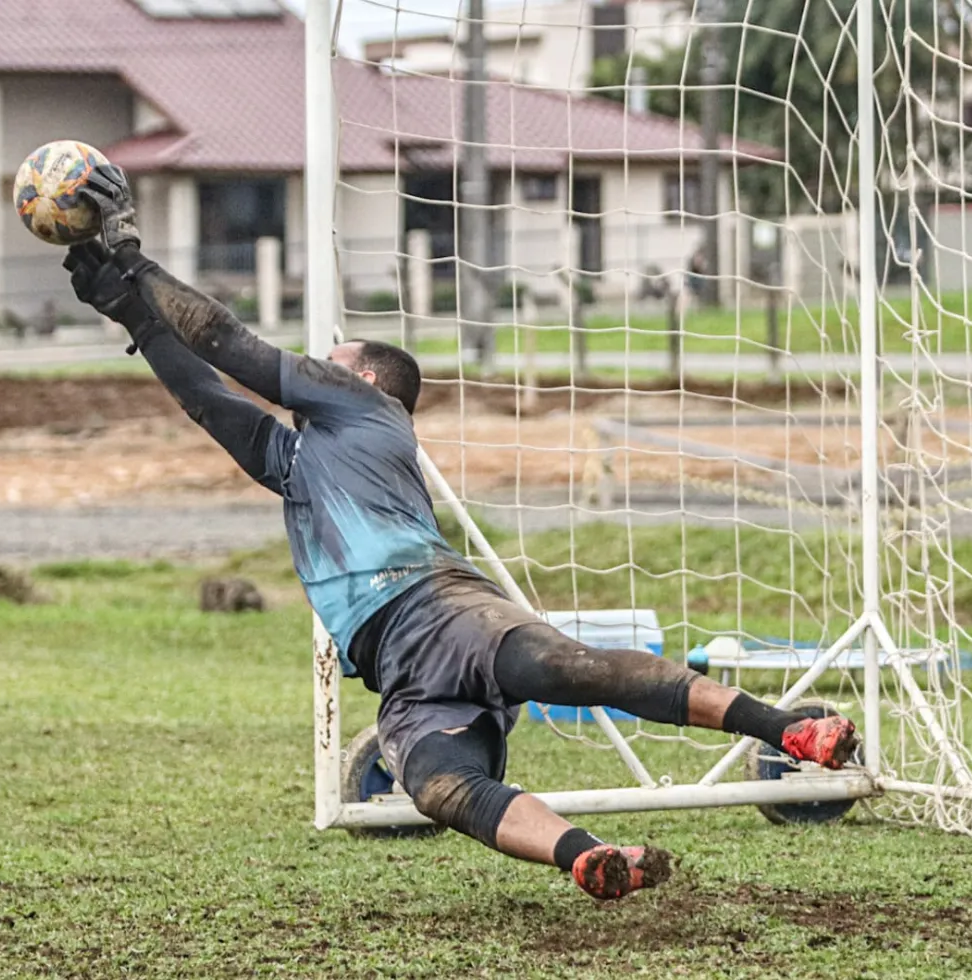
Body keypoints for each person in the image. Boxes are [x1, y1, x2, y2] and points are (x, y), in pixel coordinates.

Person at [64, 165, 860, 902]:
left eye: (330, 359)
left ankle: (791, 729)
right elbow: (205, 392)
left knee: (572, 671)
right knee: (439, 786)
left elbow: (229, 345)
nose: (314, 363)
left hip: (440, 607)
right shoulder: (296, 456)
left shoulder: (369, 411)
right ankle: (587, 858)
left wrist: (133, 257)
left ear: (364, 379)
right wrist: (128, 309)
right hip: (398, 668)